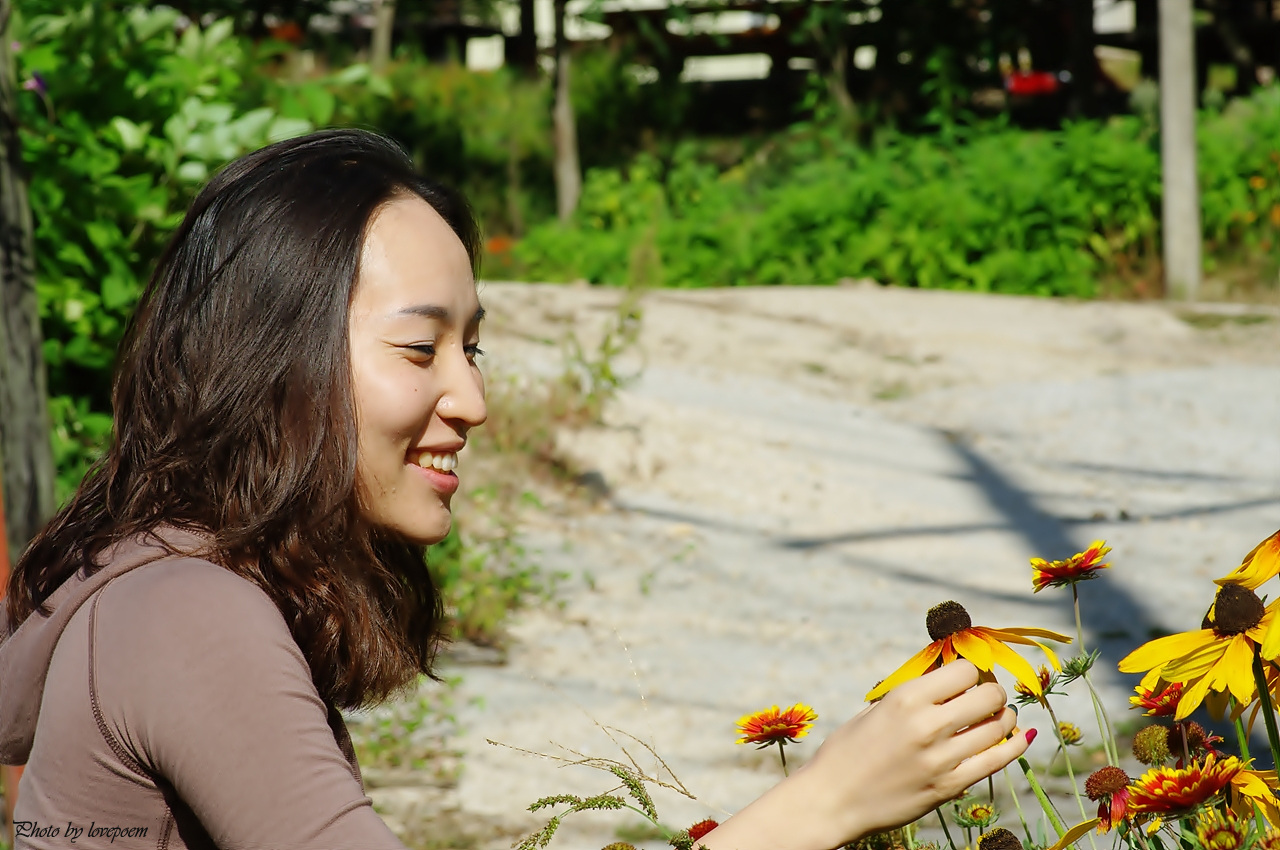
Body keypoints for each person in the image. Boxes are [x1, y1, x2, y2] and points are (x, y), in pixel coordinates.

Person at [0, 129, 1033, 850]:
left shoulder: (169, 593)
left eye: (474, 345)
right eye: (420, 346)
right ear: (272, 363)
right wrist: (816, 807)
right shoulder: (186, 614)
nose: (473, 398)